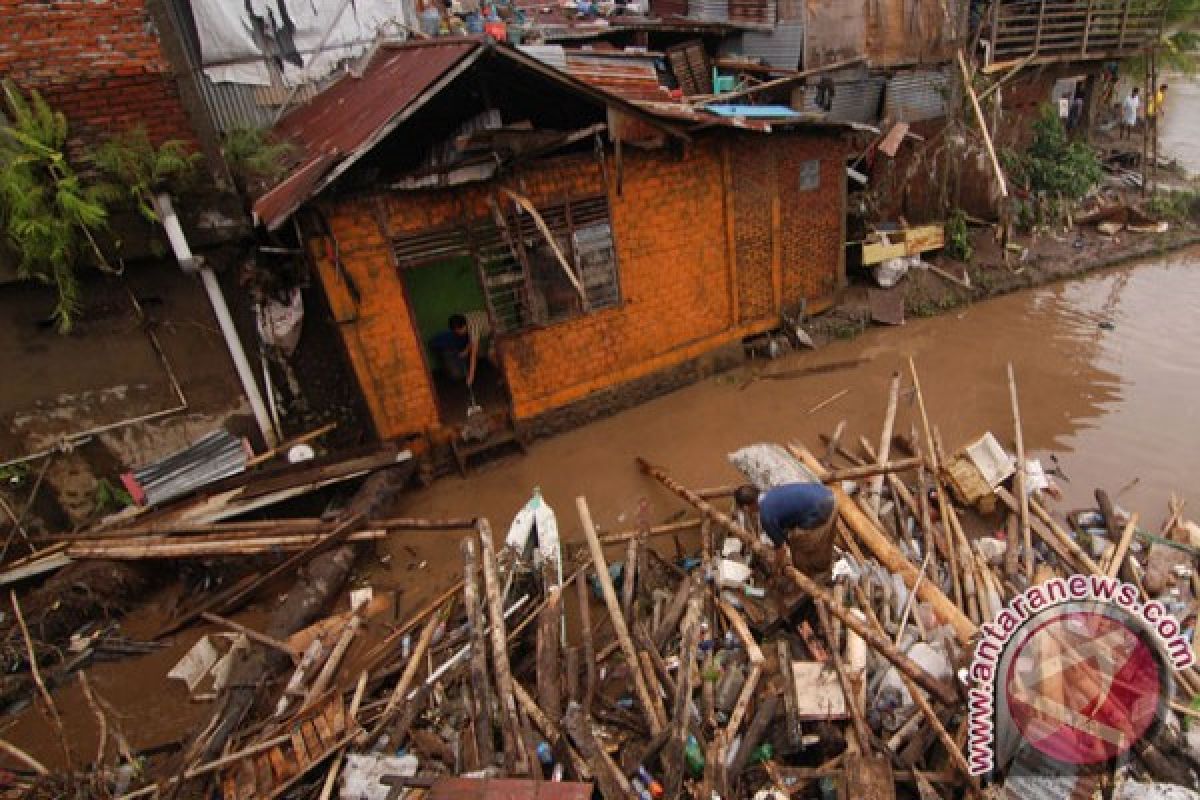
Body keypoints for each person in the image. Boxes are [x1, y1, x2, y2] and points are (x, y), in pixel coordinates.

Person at [736, 482, 837, 581]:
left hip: (821, 508)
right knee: (824, 541)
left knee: (799, 547)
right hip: (827, 495)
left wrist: (775, 568)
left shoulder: (766, 516)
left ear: (746, 507)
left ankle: (809, 578)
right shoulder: (769, 494)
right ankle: (824, 569)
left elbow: (782, 549)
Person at [431, 310, 493, 386]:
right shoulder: (463, 319)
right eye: (456, 332)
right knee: (490, 355)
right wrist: (466, 351)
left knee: (492, 355)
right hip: (488, 323)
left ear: (464, 326)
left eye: (459, 331)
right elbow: (472, 339)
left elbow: (473, 354)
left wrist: (471, 377)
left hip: (497, 327)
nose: (459, 334)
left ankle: (506, 374)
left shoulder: (473, 328)